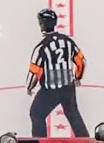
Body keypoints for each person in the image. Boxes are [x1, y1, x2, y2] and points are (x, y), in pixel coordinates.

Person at [27, 9, 89, 137]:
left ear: (41, 25)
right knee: (73, 114)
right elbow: (82, 62)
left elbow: (34, 72)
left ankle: (41, 141)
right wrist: (78, 77)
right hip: (68, 88)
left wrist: (29, 86)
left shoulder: (41, 48)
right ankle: (85, 140)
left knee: (36, 114)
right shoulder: (68, 42)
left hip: (50, 91)